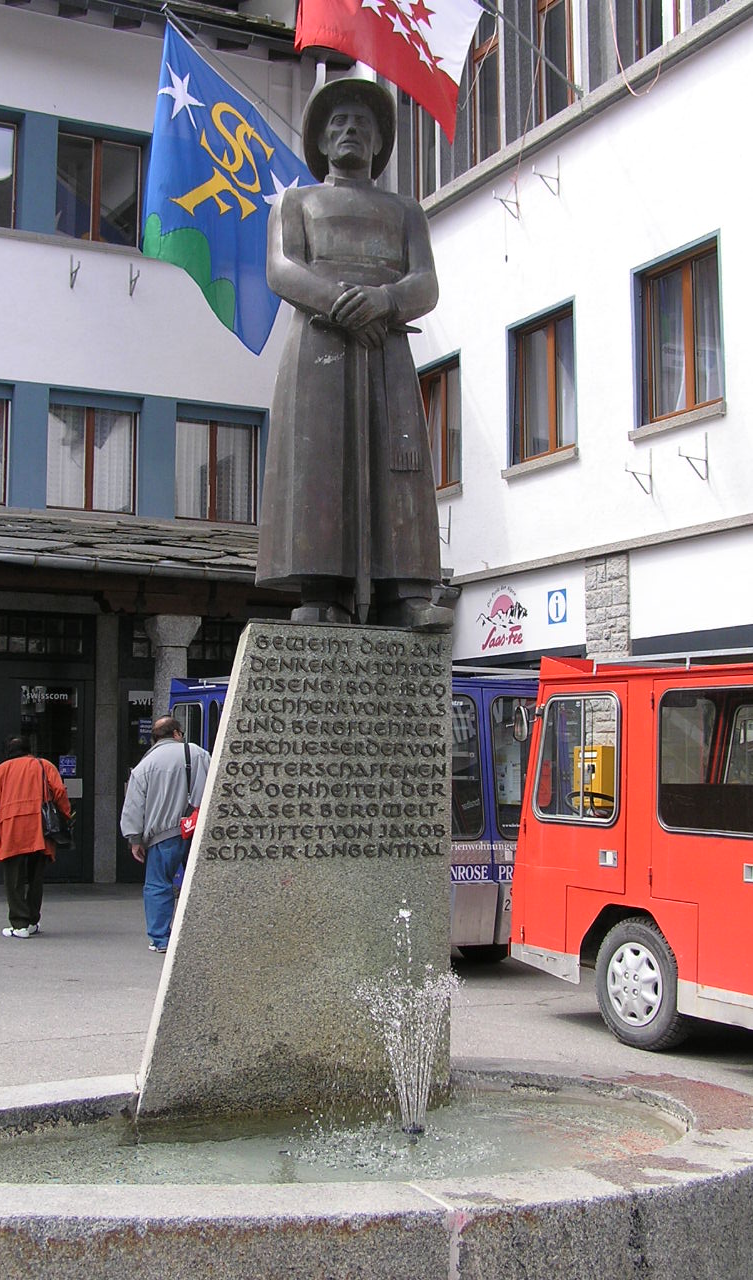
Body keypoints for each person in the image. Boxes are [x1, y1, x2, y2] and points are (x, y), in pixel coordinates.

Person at [256, 76, 452, 632]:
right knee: (319, 460)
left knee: (399, 460)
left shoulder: (405, 211)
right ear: (321, 140)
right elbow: (282, 268)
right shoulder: (296, 203)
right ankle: (322, 588)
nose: (350, 131)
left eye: (362, 124)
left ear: (379, 142)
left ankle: (403, 589)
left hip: (386, 347)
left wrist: (384, 301)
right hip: (320, 345)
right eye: (339, 123)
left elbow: (425, 282)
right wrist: (341, 305)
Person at [120, 715, 211, 953]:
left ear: (155, 739)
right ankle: (203, 937)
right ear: (177, 733)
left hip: (163, 836)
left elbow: (134, 805)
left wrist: (134, 839)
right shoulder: (197, 754)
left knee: (158, 885)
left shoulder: (145, 765)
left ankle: (160, 939)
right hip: (197, 830)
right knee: (200, 885)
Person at [0, 736, 71, 939]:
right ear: (29, 749)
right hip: (40, 829)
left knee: (14, 878)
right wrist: (65, 816)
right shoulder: (44, 765)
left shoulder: (2, 770)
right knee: (35, 878)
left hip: (12, 828)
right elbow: (59, 792)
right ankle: (31, 921)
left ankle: (19, 923)